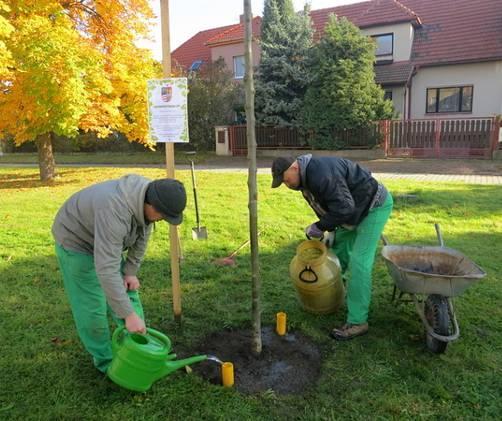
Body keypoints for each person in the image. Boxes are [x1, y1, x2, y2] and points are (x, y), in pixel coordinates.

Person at [52, 174, 187, 372]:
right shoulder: (114, 210)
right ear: (152, 206)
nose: (163, 221)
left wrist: (130, 271)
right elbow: (106, 270)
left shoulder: (148, 198)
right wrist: (128, 315)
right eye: (163, 216)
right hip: (77, 241)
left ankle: (139, 344)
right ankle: (107, 363)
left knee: (128, 290)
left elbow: (143, 233)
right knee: (92, 307)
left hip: (106, 237)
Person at [271, 154, 393, 340]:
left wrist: (320, 227)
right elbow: (327, 206)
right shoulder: (304, 181)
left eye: (286, 180)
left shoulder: (320, 174)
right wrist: (331, 230)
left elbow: (344, 207)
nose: (287, 185)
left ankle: (358, 321)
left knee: (360, 262)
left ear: (294, 168)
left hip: (373, 206)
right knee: (337, 251)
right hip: (353, 211)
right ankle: (334, 294)